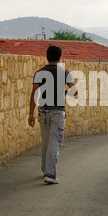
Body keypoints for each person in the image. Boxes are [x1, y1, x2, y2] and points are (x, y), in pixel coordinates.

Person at [28, 45, 77, 184]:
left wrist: (30, 114)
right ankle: (50, 174)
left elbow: (34, 94)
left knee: (45, 140)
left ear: (47, 56)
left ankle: (45, 169)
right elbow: (75, 91)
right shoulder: (65, 72)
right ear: (60, 57)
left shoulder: (39, 72)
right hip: (57, 112)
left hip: (43, 111)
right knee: (54, 142)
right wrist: (63, 93)